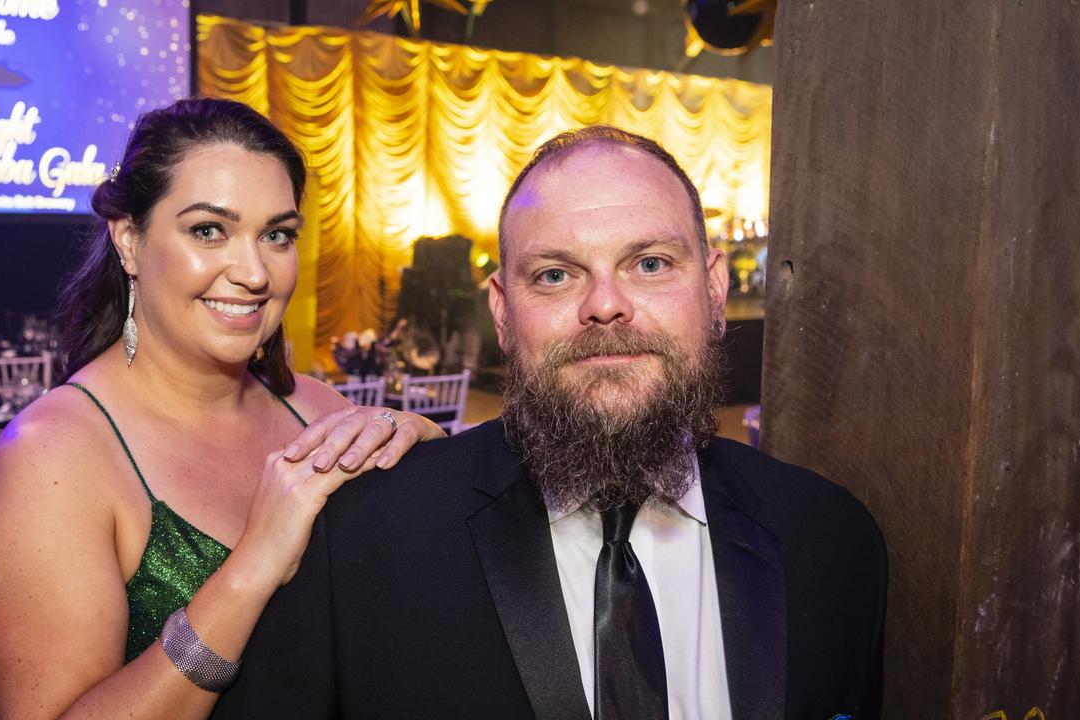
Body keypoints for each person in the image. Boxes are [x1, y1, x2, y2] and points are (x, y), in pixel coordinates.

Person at [214, 126, 887, 719]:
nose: (605, 305)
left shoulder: (832, 541)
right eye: (557, 275)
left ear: (713, 289)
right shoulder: (360, 544)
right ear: (503, 311)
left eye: (649, 264)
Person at [0, 98, 445, 719]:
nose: (253, 272)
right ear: (129, 241)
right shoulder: (52, 457)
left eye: (277, 235)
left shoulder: (317, 411)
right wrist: (254, 566)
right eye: (209, 230)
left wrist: (429, 472)